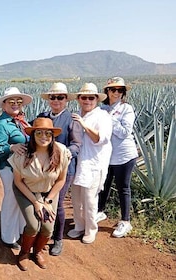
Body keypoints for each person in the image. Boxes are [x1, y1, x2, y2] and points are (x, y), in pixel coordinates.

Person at [8, 117, 70, 271]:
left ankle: (37, 252)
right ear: (33, 135)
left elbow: (61, 180)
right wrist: (36, 203)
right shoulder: (22, 153)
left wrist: (47, 201)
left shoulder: (61, 151)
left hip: (49, 192)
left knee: (48, 227)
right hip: (26, 190)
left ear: (52, 135)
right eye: (39, 133)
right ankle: (23, 253)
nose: (44, 137)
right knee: (33, 224)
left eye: (48, 134)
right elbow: (18, 182)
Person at [36, 82, 83, 256]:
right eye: (53, 97)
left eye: (60, 97)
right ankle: (41, 233)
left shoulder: (72, 118)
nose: (56, 100)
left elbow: (77, 145)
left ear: (66, 100)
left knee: (58, 203)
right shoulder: (41, 116)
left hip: (64, 169)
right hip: (43, 168)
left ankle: (58, 239)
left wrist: (65, 154)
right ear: (49, 100)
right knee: (42, 199)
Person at [67, 83, 112, 244]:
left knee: (90, 199)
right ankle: (79, 226)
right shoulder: (77, 114)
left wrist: (83, 124)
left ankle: (90, 229)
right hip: (78, 164)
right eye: (84, 97)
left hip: (94, 164)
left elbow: (100, 138)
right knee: (76, 197)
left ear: (97, 100)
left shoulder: (103, 116)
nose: (87, 100)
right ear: (79, 99)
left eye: (91, 98)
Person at [0, 87, 33, 249]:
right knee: (12, 199)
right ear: (4, 105)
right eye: (11, 101)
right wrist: (11, 147)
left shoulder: (21, 120)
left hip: (22, 167)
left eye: (18, 101)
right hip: (8, 167)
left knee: (21, 199)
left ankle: (21, 231)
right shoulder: (1, 124)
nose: (16, 104)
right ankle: (8, 237)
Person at [96, 77, 138, 238]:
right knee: (104, 185)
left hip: (124, 155)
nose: (116, 93)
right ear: (107, 91)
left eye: (120, 90)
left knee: (123, 188)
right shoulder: (102, 108)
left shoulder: (126, 109)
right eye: (113, 89)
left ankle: (125, 221)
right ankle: (100, 211)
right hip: (106, 155)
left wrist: (109, 117)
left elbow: (123, 133)